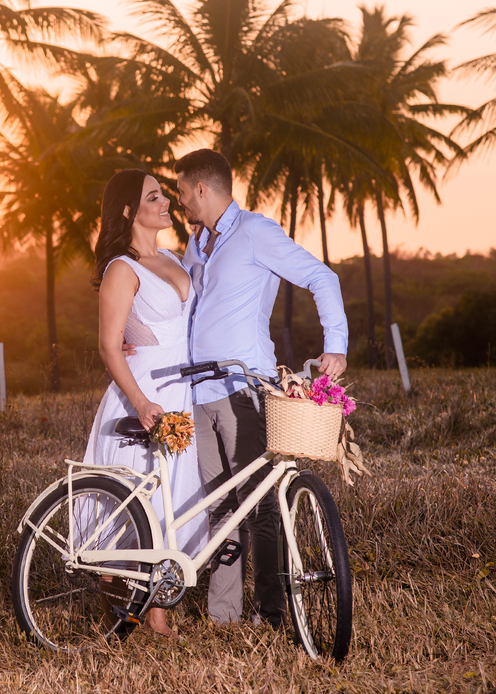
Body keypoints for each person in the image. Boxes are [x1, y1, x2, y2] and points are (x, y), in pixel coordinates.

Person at [173, 147, 348, 626]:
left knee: (259, 503)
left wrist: (336, 344)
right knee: (221, 509)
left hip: (243, 388)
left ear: (202, 189)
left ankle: (270, 611)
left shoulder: (255, 233)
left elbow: (321, 276)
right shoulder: (196, 244)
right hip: (200, 393)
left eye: (183, 192)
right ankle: (224, 615)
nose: (180, 201)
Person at [82, 168, 209, 638]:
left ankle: (157, 610)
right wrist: (139, 402)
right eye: (154, 197)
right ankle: (138, 616)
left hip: (183, 394)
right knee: (135, 504)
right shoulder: (122, 268)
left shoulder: (176, 258)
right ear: (127, 211)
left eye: (163, 195)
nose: (165, 204)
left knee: (175, 499)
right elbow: (110, 345)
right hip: (143, 396)